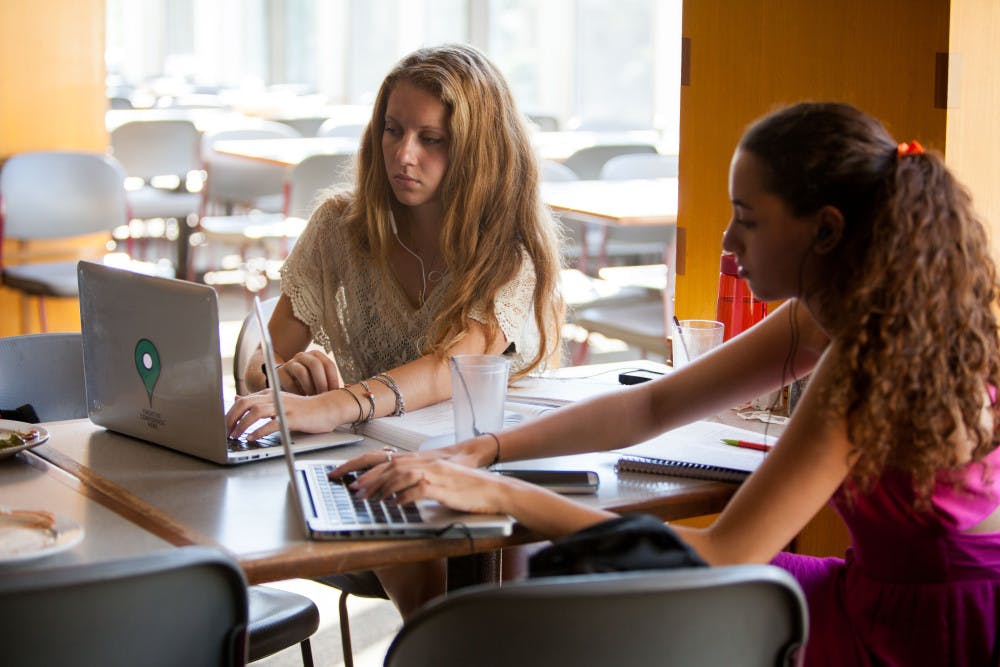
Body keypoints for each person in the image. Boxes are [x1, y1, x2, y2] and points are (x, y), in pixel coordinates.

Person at [335, 102, 1000, 665]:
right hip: (889, 591)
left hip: (917, 634)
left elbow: (722, 553)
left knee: (595, 594)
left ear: (825, 229)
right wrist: (487, 450)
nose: (728, 236)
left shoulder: (861, 356)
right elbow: (654, 402)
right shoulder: (841, 309)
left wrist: (494, 492)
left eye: (748, 215)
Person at [225, 43, 563, 615]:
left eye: (432, 139)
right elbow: (260, 346)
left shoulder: (510, 249)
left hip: (501, 473)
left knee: (458, 575)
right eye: (392, 130)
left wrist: (332, 405)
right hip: (378, 474)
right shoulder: (339, 225)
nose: (404, 155)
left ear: (478, 150)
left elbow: (448, 366)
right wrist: (278, 374)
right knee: (404, 528)